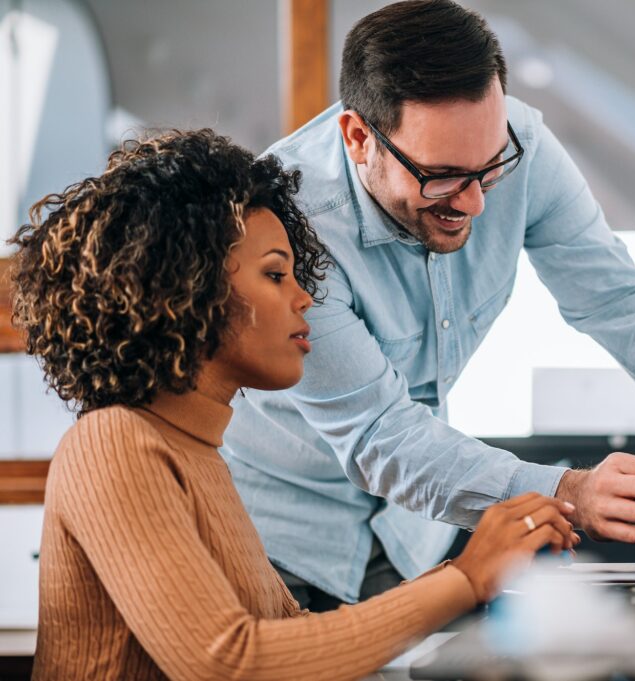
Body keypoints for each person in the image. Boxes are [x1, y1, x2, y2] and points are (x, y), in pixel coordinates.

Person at [222, 0, 635, 608]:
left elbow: (610, 292)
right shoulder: (291, 226)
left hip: (409, 535)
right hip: (281, 539)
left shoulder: (517, 143)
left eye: (489, 169)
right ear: (358, 137)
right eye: (443, 177)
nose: (475, 203)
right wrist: (569, 490)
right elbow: (380, 436)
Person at [10, 129, 575, 681]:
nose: (304, 296)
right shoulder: (114, 444)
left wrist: (471, 570)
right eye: (275, 274)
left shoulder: (200, 452)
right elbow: (229, 662)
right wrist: (467, 578)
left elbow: (294, 638)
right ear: (185, 291)